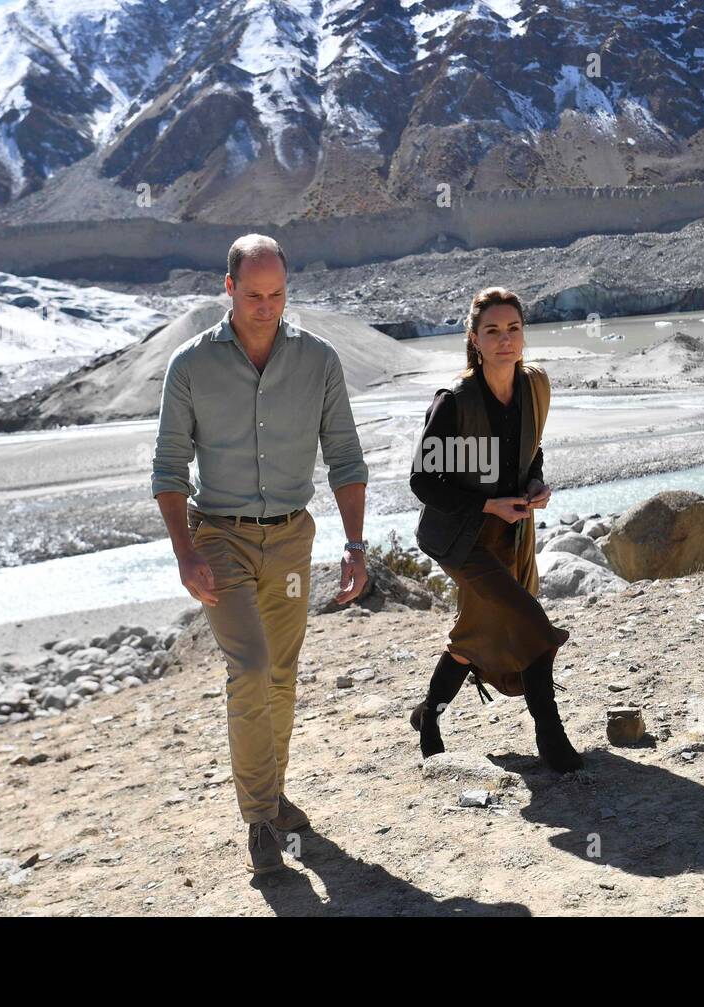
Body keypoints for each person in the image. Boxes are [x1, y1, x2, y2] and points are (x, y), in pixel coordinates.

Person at [151, 233, 369, 874]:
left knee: (282, 672)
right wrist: (185, 552)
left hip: (293, 540)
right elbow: (168, 467)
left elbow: (346, 458)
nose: (266, 306)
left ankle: (270, 796)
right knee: (249, 667)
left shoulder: (319, 361)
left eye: (277, 294)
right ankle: (258, 818)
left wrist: (355, 545)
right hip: (220, 538)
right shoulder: (190, 366)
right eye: (253, 295)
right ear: (228, 289)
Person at [408, 286, 582, 773]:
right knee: (532, 623)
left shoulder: (531, 387)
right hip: (462, 541)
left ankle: (430, 718)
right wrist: (489, 504)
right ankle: (551, 736)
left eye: (513, 329)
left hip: (511, 537)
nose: (505, 340)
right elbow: (423, 481)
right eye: (492, 331)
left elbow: (531, 452)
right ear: (474, 339)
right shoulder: (456, 401)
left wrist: (535, 483)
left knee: (473, 636)